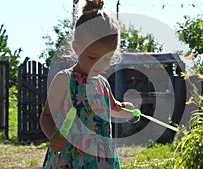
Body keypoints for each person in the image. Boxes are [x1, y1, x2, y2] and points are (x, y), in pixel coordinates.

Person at [39, 0, 134, 168]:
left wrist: (126, 109)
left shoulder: (102, 84)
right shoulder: (64, 80)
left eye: (106, 59)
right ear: (77, 48)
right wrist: (53, 136)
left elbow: (113, 108)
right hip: (70, 158)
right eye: (92, 57)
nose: (99, 65)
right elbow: (46, 116)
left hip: (101, 159)